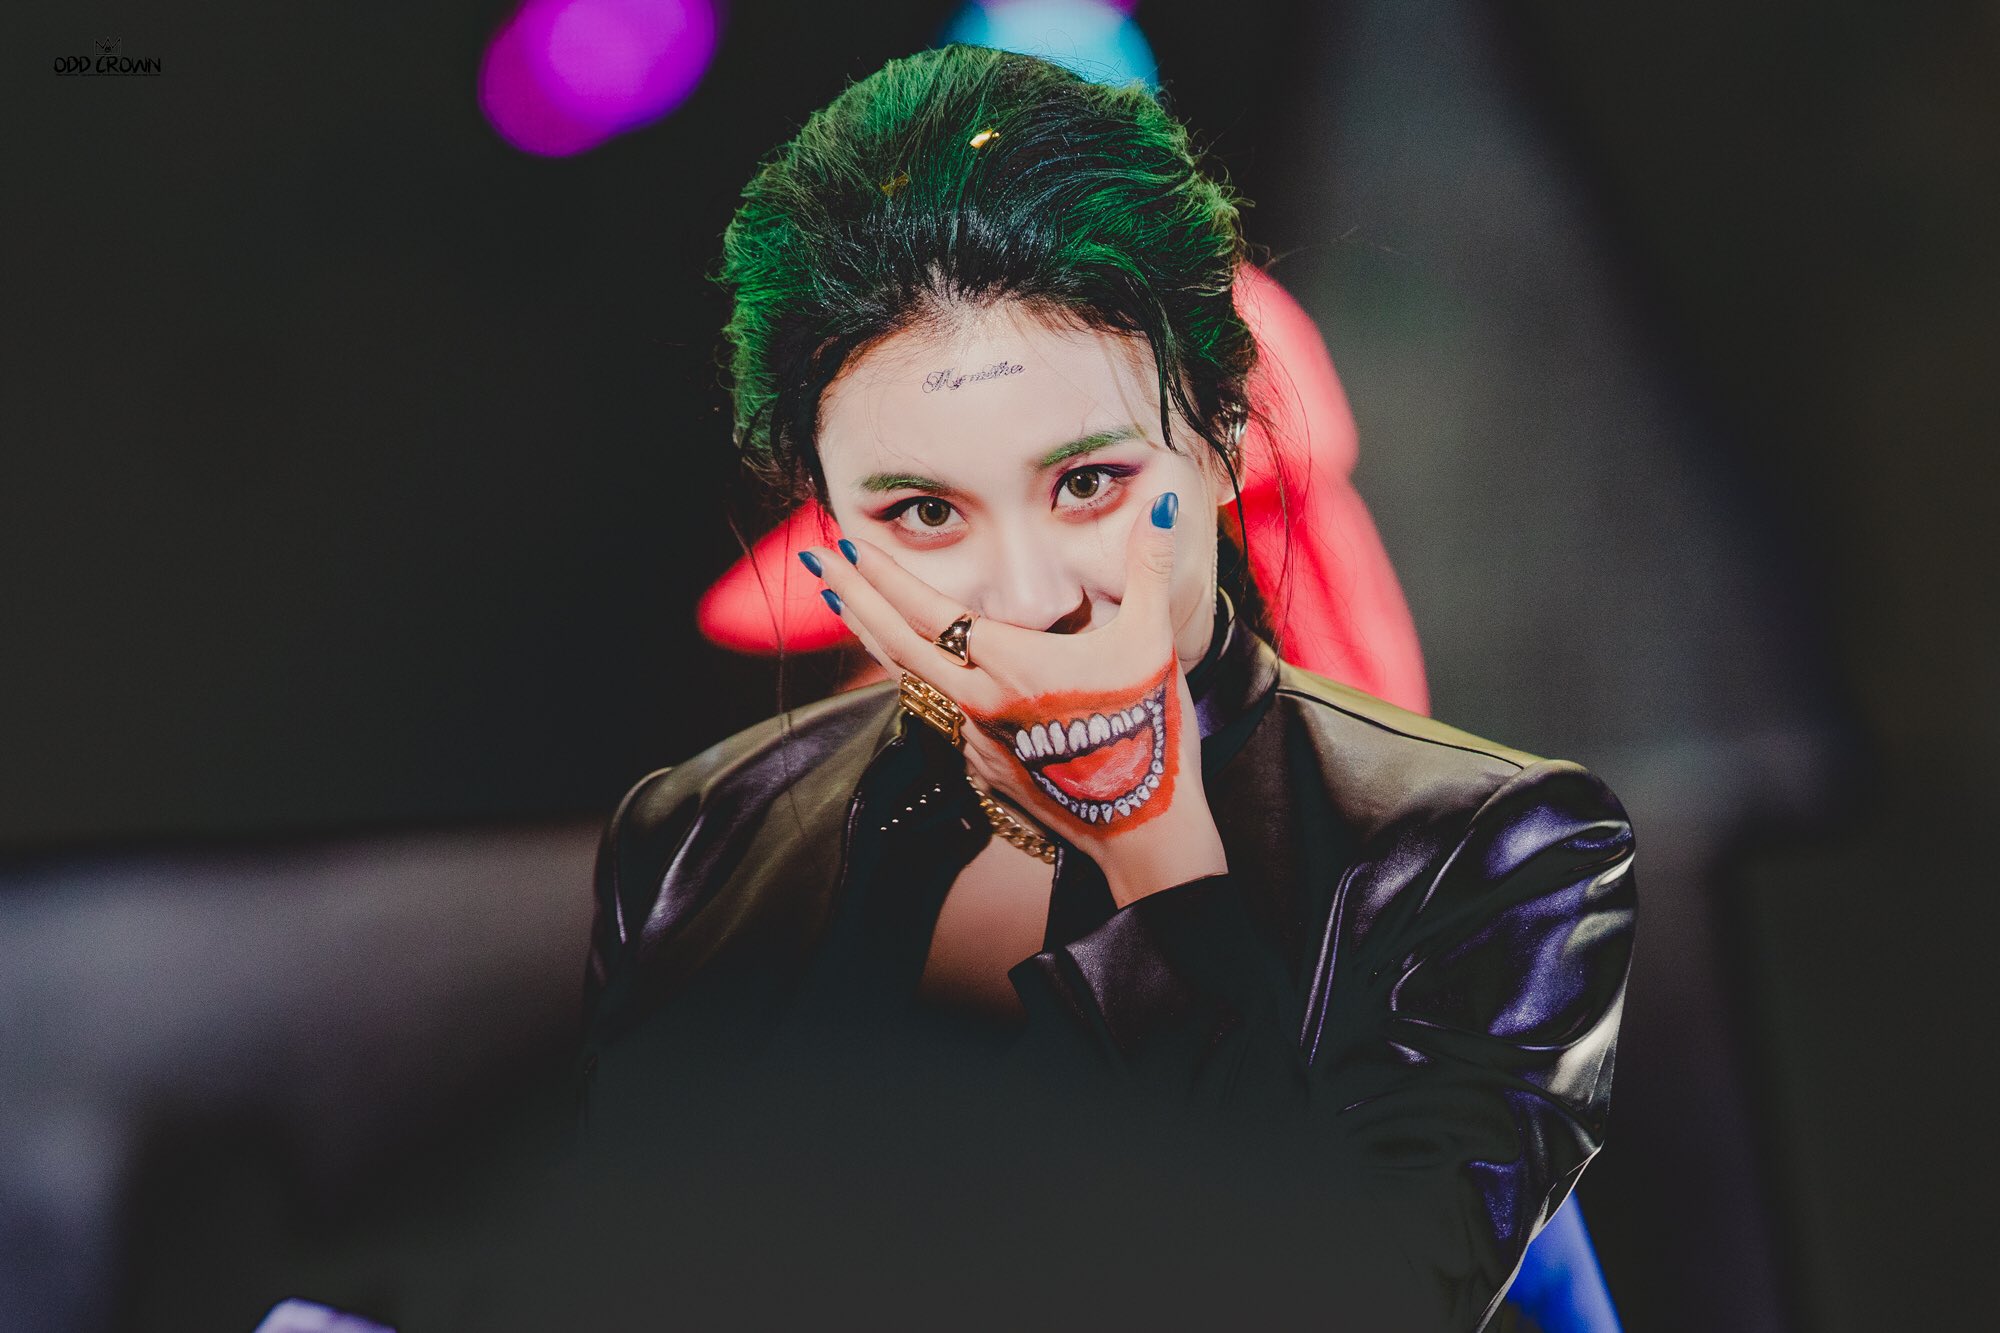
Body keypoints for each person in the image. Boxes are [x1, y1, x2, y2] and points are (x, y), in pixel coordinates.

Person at [550, 44, 1637, 1333]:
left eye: (1087, 484)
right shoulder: (692, 846)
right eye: (923, 511)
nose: (1026, 595)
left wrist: (1152, 854)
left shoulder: (1487, 859)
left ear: (1220, 437)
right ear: (830, 525)